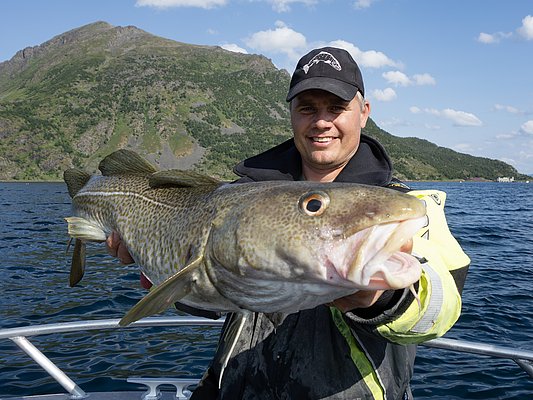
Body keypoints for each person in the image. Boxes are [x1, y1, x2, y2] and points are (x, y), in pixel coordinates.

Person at [107, 47, 470, 400]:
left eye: (337, 108)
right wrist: (157, 268)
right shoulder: (241, 199)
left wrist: (380, 298)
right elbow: (211, 303)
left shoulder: (405, 208)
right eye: (307, 108)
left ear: (364, 113)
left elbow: (440, 310)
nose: (322, 121)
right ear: (292, 114)